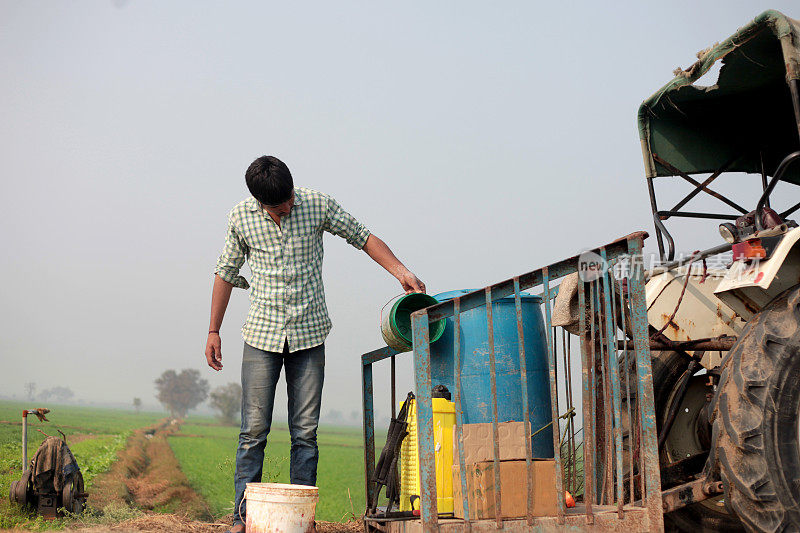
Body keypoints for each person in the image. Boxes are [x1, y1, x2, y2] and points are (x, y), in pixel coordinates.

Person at [205, 155, 425, 533]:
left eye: (289, 197)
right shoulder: (240, 217)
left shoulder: (316, 204)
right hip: (261, 336)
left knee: (305, 433)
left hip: (309, 335)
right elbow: (225, 272)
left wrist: (401, 272)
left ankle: (300, 521)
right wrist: (213, 330)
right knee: (253, 432)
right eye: (279, 205)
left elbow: (363, 237)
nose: (289, 207)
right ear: (261, 203)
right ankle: (243, 519)